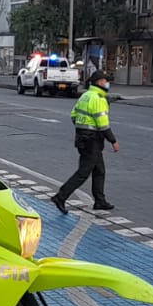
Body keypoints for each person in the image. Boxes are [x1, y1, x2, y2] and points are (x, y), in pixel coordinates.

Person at [50, 71, 118, 214]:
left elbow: (73, 115)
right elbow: (103, 124)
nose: (107, 83)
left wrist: (82, 128)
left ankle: (100, 201)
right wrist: (113, 141)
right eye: (106, 80)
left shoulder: (85, 96)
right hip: (92, 141)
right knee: (83, 173)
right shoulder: (98, 98)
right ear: (100, 82)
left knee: (99, 170)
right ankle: (60, 197)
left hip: (82, 139)